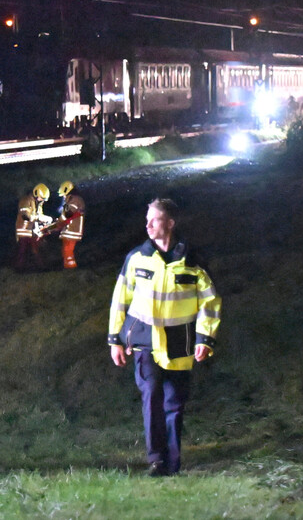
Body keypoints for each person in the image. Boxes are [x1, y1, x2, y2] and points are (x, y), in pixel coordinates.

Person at [108, 198, 221, 476]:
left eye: (154, 219)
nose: (147, 225)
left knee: (174, 404)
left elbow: (210, 302)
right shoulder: (137, 258)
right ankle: (156, 460)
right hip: (144, 341)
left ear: (170, 223)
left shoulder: (193, 261)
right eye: (147, 219)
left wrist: (204, 338)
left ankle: (173, 462)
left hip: (179, 343)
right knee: (151, 397)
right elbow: (119, 300)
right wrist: (115, 339)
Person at [13, 183, 52, 271]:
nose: (42, 200)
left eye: (44, 199)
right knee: (22, 250)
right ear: (36, 193)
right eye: (41, 198)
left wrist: (47, 219)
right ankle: (19, 269)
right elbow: (25, 215)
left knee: (36, 249)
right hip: (23, 229)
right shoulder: (26, 200)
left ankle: (40, 267)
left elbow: (39, 215)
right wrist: (37, 218)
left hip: (32, 230)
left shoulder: (38, 204)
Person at [56, 180, 86, 269]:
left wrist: (56, 224)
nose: (63, 197)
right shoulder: (71, 199)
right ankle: (68, 267)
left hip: (72, 230)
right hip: (69, 229)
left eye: (64, 195)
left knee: (67, 250)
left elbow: (67, 214)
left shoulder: (74, 200)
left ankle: (71, 268)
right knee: (65, 250)